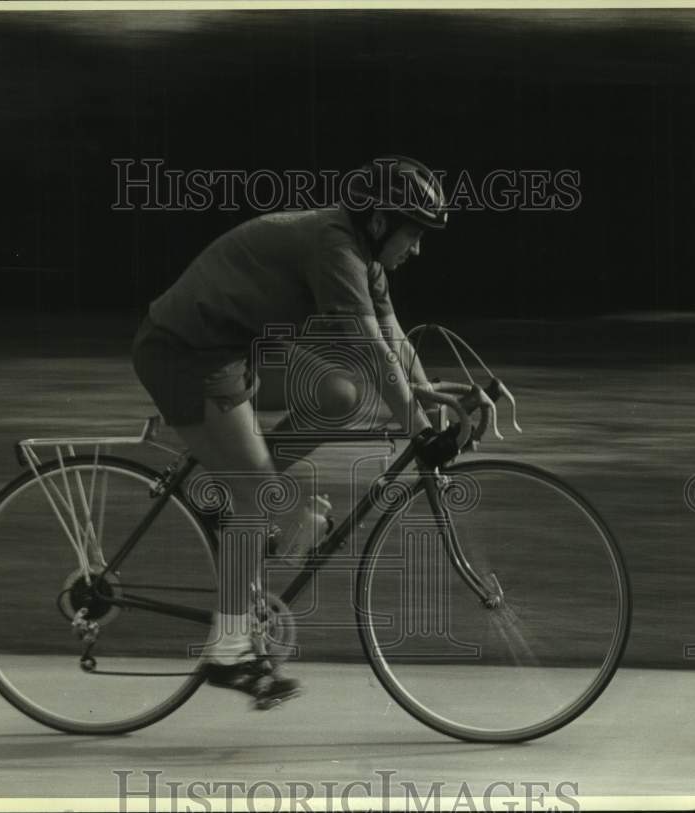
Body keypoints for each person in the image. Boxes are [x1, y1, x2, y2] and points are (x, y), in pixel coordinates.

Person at [132, 155, 461, 707]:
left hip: (232, 351)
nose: (418, 248)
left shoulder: (365, 258)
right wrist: (420, 432)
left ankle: (235, 490)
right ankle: (229, 649)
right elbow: (372, 350)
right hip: (185, 352)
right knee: (260, 496)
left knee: (338, 395)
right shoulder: (335, 246)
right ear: (380, 220)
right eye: (415, 233)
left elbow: (394, 339)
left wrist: (428, 397)